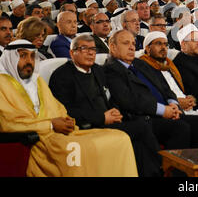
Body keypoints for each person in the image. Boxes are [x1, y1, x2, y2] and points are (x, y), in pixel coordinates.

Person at [0, 39, 138, 177]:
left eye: (32, 56)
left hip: (59, 133)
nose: (29, 61)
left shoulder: (37, 81)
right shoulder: (2, 84)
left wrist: (67, 120)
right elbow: (8, 123)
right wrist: (50, 125)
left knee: (120, 138)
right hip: (39, 140)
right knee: (78, 150)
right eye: (23, 56)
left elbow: (58, 108)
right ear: (10, 58)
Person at [49, 34, 163, 177]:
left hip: (109, 121)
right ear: (72, 53)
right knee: (141, 127)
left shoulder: (97, 70)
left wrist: (115, 111)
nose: (90, 52)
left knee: (140, 132)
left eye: (93, 49)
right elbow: (66, 111)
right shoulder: (61, 76)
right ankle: (161, 168)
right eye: (84, 48)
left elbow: (109, 97)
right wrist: (102, 117)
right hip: (87, 126)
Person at [103, 30, 198, 149]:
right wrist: (162, 110)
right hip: (144, 117)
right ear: (113, 47)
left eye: (133, 44)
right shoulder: (110, 70)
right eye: (126, 43)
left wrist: (173, 103)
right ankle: (172, 166)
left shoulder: (140, 63)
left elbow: (163, 85)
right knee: (180, 128)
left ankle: (193, 163)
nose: (131, 47)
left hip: (166, 111)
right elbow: (130, 101)